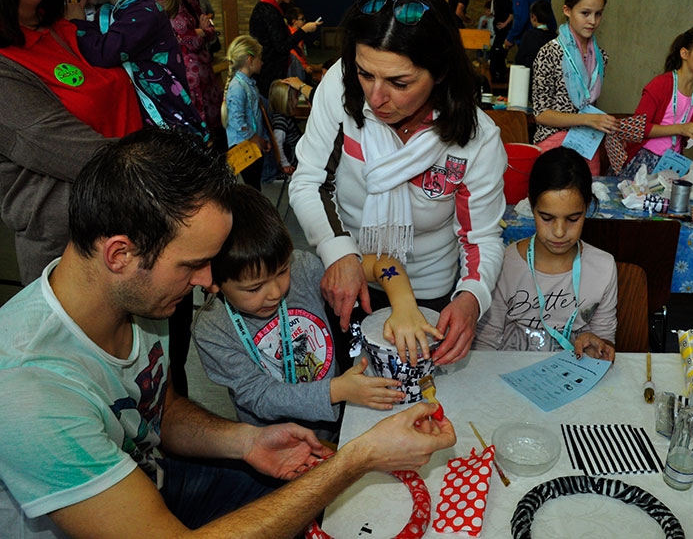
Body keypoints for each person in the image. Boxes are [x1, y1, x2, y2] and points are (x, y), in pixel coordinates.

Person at [0, 128, 456, 539]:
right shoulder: (31, 391)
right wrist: (358, 457)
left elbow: (160, 410)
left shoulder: (138, 297)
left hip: (156, 480)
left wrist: (247, 441)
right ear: (120, 255)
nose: (207, 282)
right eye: (193, 265)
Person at [289, 0, 507, 366]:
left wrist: (472, 297)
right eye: (365, 74)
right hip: (351, 272)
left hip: (429, 288)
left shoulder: (477, 138)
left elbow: (481, 238)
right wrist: (337, 252)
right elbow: (310, 181)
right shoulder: (340, 87)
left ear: (440, 72)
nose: (376, 97)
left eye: (399, 82)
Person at [193, 185, 443, 440]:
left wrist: (404, 304)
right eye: (254, 288)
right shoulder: (212, 329)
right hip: (275, 443)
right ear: (212, 280)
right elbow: (259, 396)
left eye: (282, 271)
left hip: (335, 426)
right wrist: (336, 390)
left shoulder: (302, 268)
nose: (275, 292)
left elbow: (381, 263)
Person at [0, 0, 142, 284]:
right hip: (78, 261)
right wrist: (184, 175)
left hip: (141, 228)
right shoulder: (6, 66)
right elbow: (84, 153)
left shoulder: (67, 28)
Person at [474, 147, 616, 360]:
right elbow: (484, 346)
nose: (559, 232)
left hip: (574, 373)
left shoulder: (603, 267)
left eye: (573, 219)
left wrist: (597, 346)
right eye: (547, 218)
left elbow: (605, 341)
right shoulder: (504, 265)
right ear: (531, 205)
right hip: (508, 372)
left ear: (587, 207)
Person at [66, 0, 208, 141]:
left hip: (169, 128)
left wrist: (77, 23)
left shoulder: (145, 12)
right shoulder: (115, 12)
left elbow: (103, 53)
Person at [532, 0, 618, 175]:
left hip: (587, 142)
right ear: (567, 10)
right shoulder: (549, 53)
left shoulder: (600, 57)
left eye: (598, 14)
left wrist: (598, 121)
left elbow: (589, 104)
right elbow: (541, 114)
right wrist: (587, 119)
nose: (592, 21)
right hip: (553, 142)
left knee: (590, 191)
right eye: (585, 13)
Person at [626, 26, 693, 169]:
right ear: (684, 53)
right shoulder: (661, 84)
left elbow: (684, 140)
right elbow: (638, 127)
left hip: (672, 162)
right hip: (644, 157)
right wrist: (681, 129)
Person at [158, 0, 222, 134]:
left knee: (214, 130)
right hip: (188, 78)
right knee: (198, 134)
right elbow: (189, 40)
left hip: (204, 72)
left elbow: (209, 27)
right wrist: (202, 32)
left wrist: (203, 31)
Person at [248, 0, 320, 98]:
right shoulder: (268, 10)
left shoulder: (272, 8)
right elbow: (282, 46)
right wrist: (303, 30)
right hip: (268, 75)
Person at [222, 35, 271, 190]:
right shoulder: (237, 87)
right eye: (259, 58)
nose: (262, 62)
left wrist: (263, 138)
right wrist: (256, 139)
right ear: (250, 60)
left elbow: (256, 116)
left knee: (255, 186)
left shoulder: (249, 84)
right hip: (243, 147)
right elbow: (237, 121)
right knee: (252, 187)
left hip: (254, 143)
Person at [267, 79, 305, 173]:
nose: (298, 100)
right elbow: (278, 144)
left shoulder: (285, 117)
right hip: (295, 160)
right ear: (287, 100)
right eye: (296, 97)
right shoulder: (280, 122)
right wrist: (285, 164)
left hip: (299, 152)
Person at [482, 0, 512, 82]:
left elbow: (511, 13)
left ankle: (499, 78)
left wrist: (505, 23)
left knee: (497, 55)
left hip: (503, 32)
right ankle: (496, 78)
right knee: (495, 56)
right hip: (499, 31)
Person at [514, 0, 556, 71]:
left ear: (533, 17)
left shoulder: (529, 36)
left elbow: (519, 60)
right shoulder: (555, 37)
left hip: (532, 75)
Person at [285, 5, 313, 82]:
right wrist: (304, 67)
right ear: (294, 21)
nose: (304, 21)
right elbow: (294, 53)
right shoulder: (294, 34)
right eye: (302, 19)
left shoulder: (291, 32)